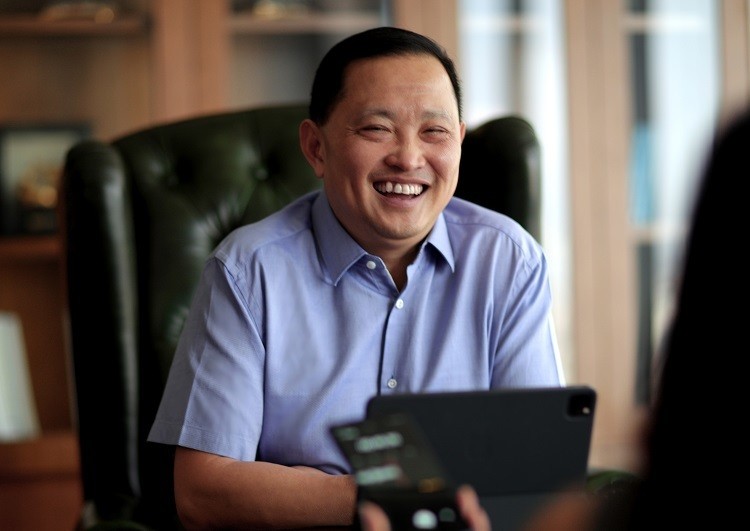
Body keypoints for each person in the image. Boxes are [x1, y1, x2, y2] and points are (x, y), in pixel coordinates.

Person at [147, 26, 564, 530]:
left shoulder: (509, 261)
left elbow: (537, 477)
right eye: (376, 129)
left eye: (434, 132)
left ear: (458, 142)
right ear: (316, 148)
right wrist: (382, 496)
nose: (408, 158)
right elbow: (202, 492)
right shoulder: (247, 272)